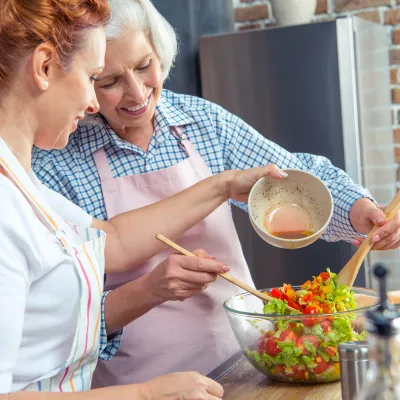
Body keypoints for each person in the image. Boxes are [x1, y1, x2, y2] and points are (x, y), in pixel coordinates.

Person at [32, 0, 400, 387]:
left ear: (159, 51)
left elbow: (292, 176)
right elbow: (67, 316)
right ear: (85, 81)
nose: (137, 92)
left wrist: (358, 209)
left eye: (144, 66)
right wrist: (150, 289)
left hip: (244, 363)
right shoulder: (59, 160)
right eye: (109, 81)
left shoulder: (203, 122)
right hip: (141, 385)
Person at [0, 0, 288, 397]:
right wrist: (145, 394)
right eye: (94, 76)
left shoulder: (23, 182)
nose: (90, 105)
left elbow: (112, 241)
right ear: (44, 66)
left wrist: (222, 185)